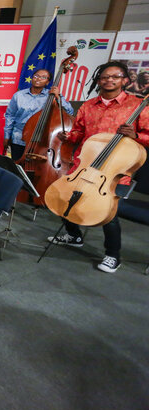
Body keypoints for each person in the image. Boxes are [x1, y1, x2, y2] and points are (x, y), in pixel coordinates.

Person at [48, 61, 149, 274]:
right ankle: (74, 235)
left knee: (108, 213)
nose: (109, 80)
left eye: (115, 76)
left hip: (113, 172)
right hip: (85, 164)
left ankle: (113, 255)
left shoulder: (137, 106)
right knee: (64, 197)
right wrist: (69, 136)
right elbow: (78, 132)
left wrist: (136, 135)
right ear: (98, 80)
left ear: (125, 80)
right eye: (104, 77)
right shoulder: (88, 105)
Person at [3, 69, 74, 161]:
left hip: (40, 140)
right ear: (32, 78)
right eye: (36, 76)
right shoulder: (18, 95)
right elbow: (10, 116)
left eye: (43, 77)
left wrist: (58, 97)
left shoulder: (51, 96)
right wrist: (7, 136)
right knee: (16, 168)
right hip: (18, 139)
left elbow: (69, 111)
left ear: (47, 82)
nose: (38, 79)